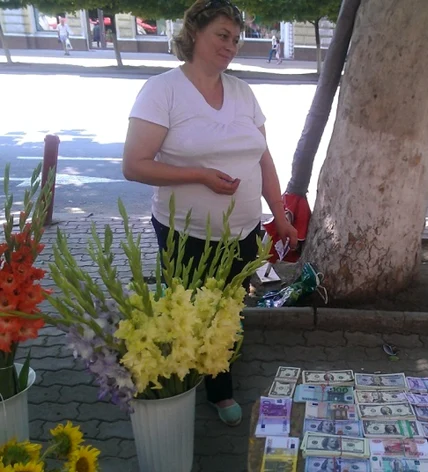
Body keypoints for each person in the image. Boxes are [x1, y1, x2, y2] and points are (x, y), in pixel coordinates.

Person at [121, 0, 297, 427]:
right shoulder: (162, 90)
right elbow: (134, 164)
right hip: (187, 233)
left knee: (229, 308)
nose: (231, 45)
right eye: (222, 34)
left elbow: (264, 159)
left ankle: (219, 362)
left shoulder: (243, 92)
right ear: (194, 34)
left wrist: (280, 213)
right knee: (196, 310)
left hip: (244, 230)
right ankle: (215, 391)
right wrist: (199, 175)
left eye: (236, 39)